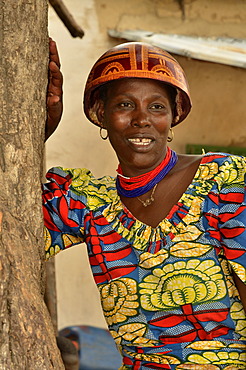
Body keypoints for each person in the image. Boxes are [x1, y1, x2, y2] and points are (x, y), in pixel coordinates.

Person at [44, 39, 246, 369]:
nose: (142, 119)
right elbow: (15, 228)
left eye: (156, 107)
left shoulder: (224, 182)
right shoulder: (88, 205)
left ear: (173, 117)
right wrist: (42, 130)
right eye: (125, 105)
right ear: (102, 115)